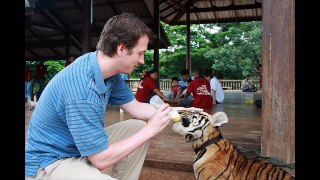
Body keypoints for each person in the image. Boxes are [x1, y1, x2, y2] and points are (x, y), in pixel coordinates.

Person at [25, 13, 173, 180]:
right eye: (140, 53)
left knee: (136, 127)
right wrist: (150, 130)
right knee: (143, 131)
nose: (142, 60)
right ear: (121, 48)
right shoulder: (82, 88)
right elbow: (100, 159)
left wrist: (179, 112)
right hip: (50, 162)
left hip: (75, 148)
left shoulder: (106, 70)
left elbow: (137, 108)